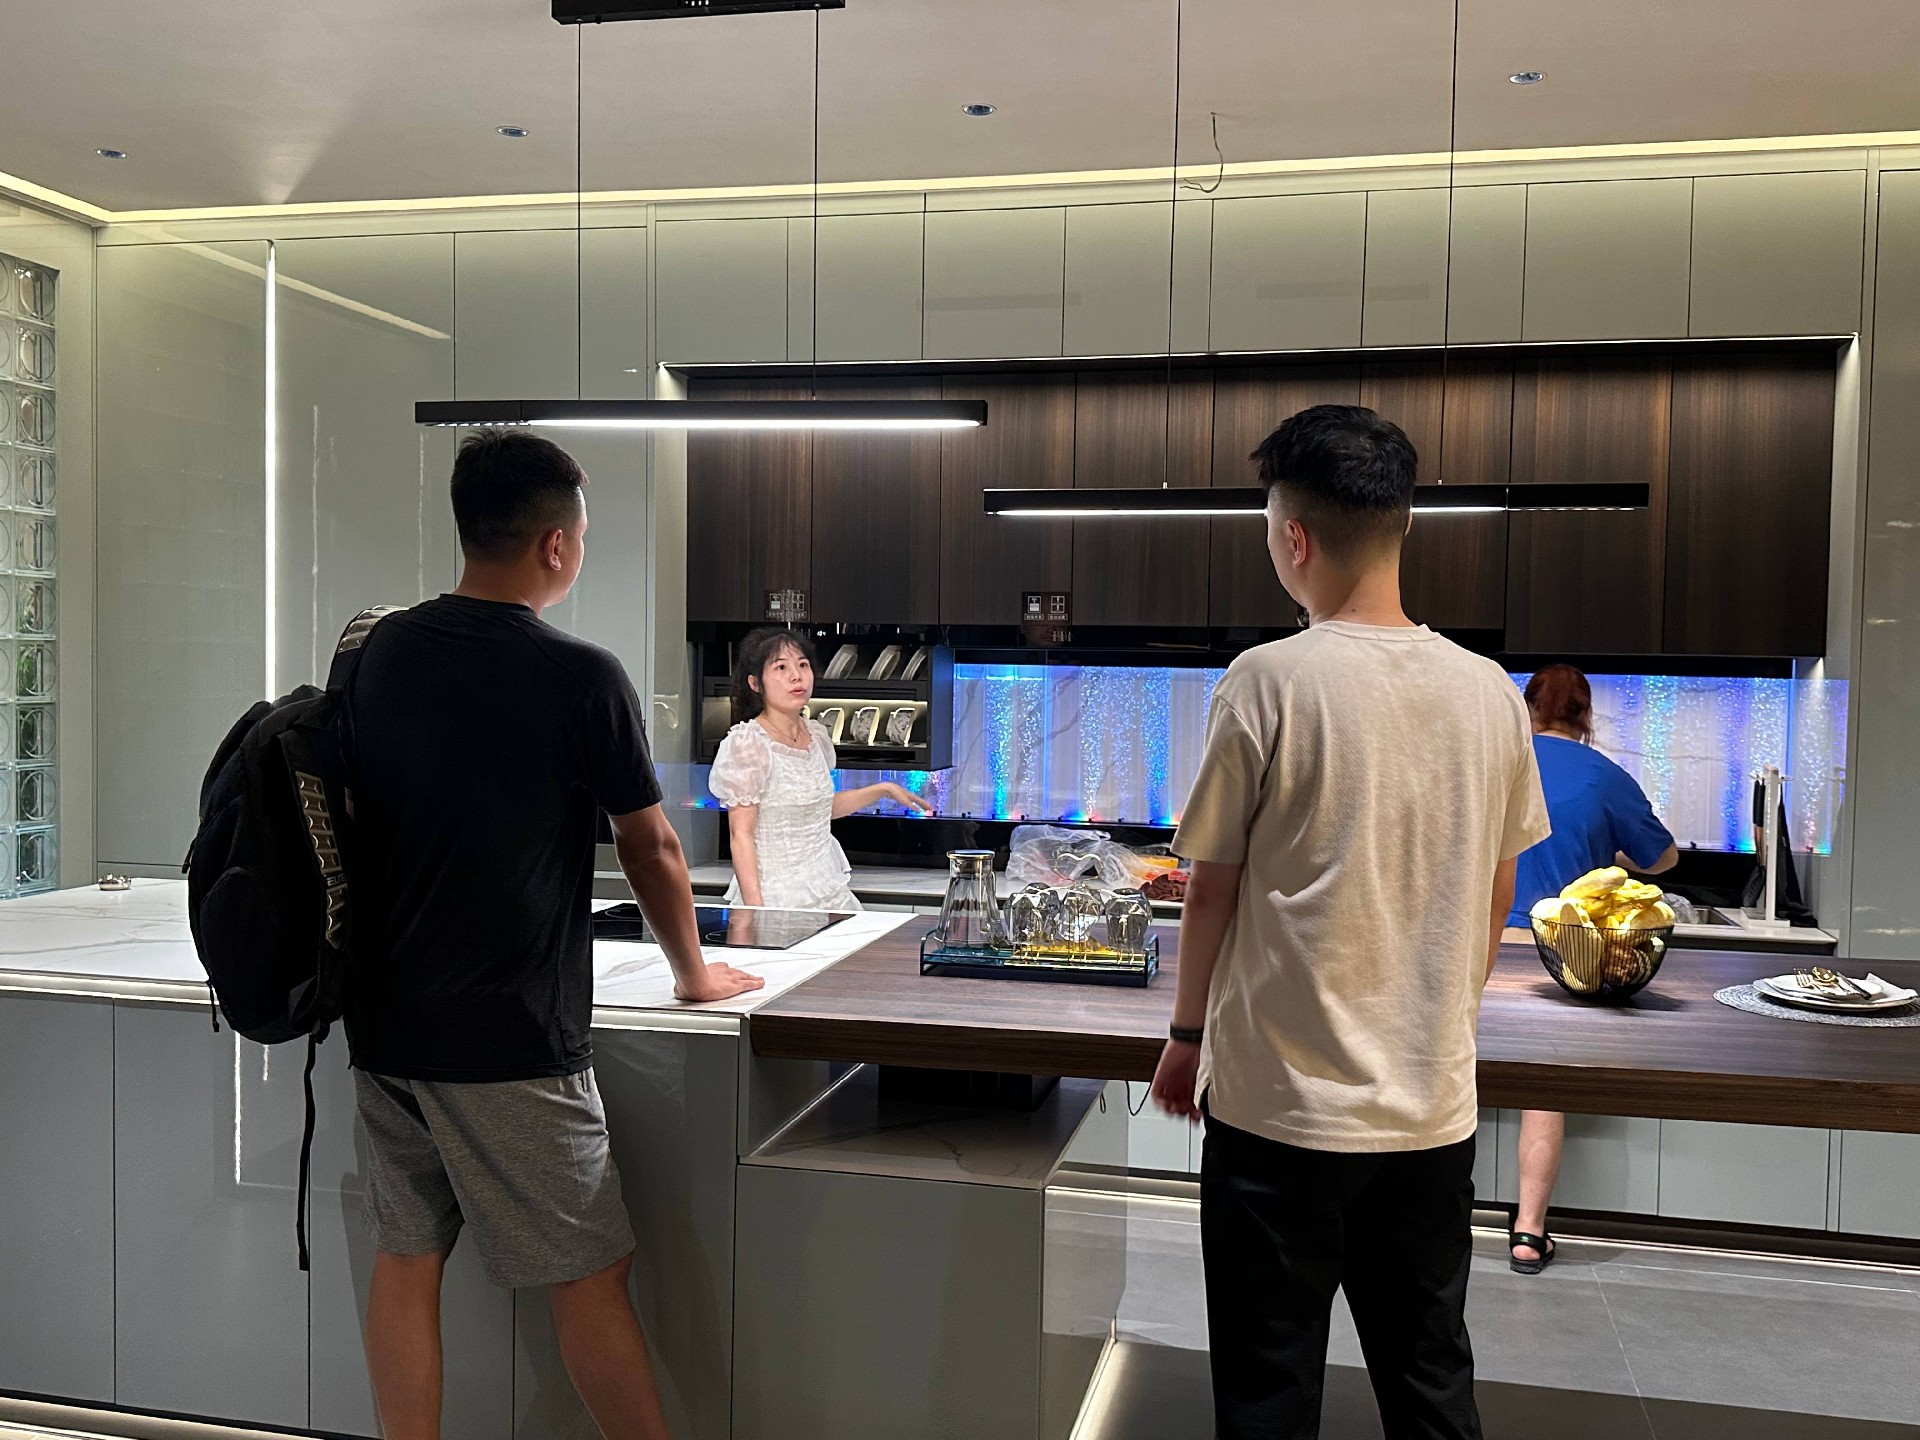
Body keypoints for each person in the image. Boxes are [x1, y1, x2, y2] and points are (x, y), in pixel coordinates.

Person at [341, 429, 764, 1440]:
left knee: (407, 1256)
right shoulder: (578, 674)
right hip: (508, 1031)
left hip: (384, 1019)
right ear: (556, 546)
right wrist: (694, 974)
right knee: (590, 1269)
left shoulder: (376, 649)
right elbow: (651, 845)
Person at [1150, 404, 1550, 1440]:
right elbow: (1499, 889)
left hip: (1278, 1113)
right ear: (1403, 522)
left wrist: (1186, 1036)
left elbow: (1212, 887)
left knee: (1268, 1388)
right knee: (1429, 1379)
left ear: (1294, 538)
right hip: (1428, 1110)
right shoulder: (1489, 693)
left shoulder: (1267, 681)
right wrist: (1439, 1018)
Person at [1506, 664, 1677, 1276]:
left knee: (1450, 1077)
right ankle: (1529, 1233)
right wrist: (1612, 854)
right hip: (1560, 949)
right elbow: (1664, 857)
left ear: (1527, 709)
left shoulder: (1496, 759)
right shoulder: (1605, 775)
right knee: (1543, 1091)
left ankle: (1416, 1224)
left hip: (1480, 937)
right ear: (1586, 718)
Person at [709, 626, 929, 911]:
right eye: (781, 667)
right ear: (755, 683)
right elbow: (741, 836)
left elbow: (820, 809)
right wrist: (757, 911)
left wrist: (883, 789)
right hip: (777, 897)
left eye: (803, 665)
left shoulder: (815, 735)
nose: (796, 676)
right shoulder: (747, 743)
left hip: (828, 888)